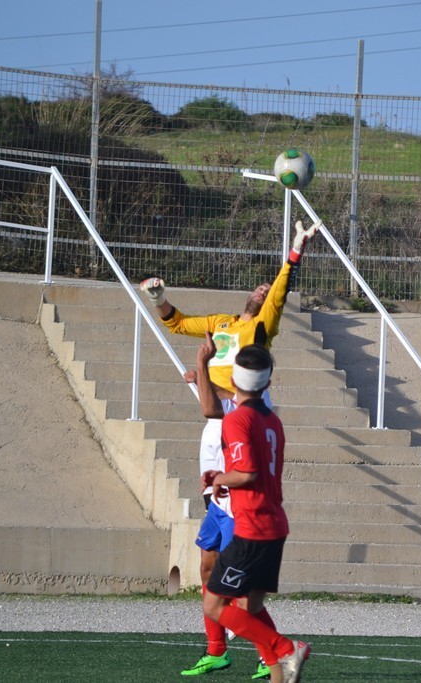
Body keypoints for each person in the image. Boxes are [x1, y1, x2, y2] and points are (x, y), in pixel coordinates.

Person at [138, 219, 319, 679]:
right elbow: (178, 322)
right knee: (208, 564)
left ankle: (272, 651)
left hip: (231, 428)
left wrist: (293, 255)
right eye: (259, 288)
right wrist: (158, 298)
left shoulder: (258, 333)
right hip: (216, 436)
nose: (263, 291)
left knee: (234, 588)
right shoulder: (221, 324)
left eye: (267, 291)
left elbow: (279, 295)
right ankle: (225, 650)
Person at [195, 335, 311, 683]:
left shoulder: (237, 419)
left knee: (214, 605)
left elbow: (247, 473)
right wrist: (223, 476)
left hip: (251, 528)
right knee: (252, 607)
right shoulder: (273, 421)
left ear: (232, 380)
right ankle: (279, 671)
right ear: (268, 384)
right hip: (275, 525)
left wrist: (219, 478)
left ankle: (287, 647)